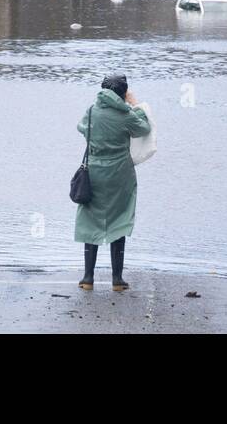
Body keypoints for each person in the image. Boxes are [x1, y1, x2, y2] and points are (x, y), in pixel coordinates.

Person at [75, 74, 151, 291]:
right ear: (122, 93)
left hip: (95, 172)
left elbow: (81, 128)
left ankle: (87, 278)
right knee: (119, 220)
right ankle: (117, 280)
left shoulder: (91, 111)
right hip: (120, 173)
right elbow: (144, 128)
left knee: (90, 220)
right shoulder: (125, 114)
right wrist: (134, 105)